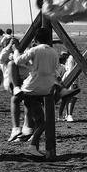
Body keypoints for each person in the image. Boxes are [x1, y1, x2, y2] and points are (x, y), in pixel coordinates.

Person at [11, 27, 61, 157]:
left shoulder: (34, 50)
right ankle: (29, 136)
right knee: (42, 121)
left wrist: (16, 50)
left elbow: (17, 61)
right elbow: (54, 69)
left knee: (37, 118)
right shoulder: (54, 52)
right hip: (47, 88)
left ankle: (25, 136)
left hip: (32, 88)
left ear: (36, 39)